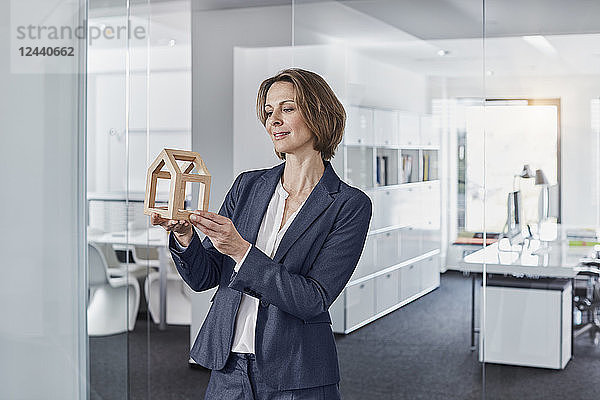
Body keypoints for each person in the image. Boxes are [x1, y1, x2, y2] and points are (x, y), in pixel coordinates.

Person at [152, 68, 372, 400]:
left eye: (288, 108)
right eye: (269, 112)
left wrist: (241, 251)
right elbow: (204, 276)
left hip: (298, 373)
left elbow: (312, 300)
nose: (274, 121)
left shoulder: (349, 205)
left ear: (320, 114)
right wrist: (185, 237)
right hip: (229, 367)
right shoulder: (248, 185)